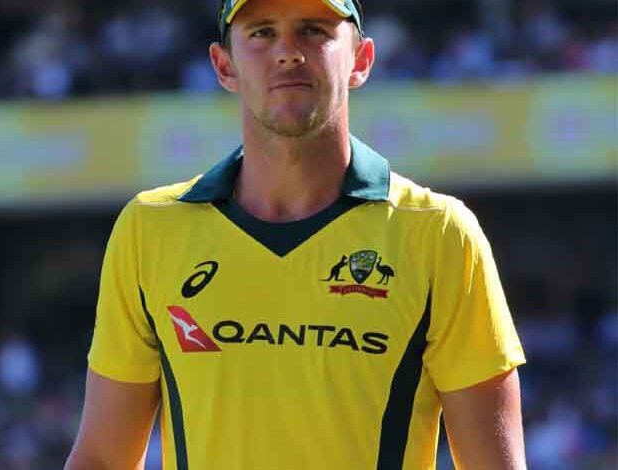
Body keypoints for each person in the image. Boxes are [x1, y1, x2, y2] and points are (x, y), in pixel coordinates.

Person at [65, 0, 528, 469]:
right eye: (262, 32)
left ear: (361, 60)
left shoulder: (439, 233)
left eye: (313, 30)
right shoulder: (150, 229)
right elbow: (102, 458)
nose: (288, 51)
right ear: (224, 66)